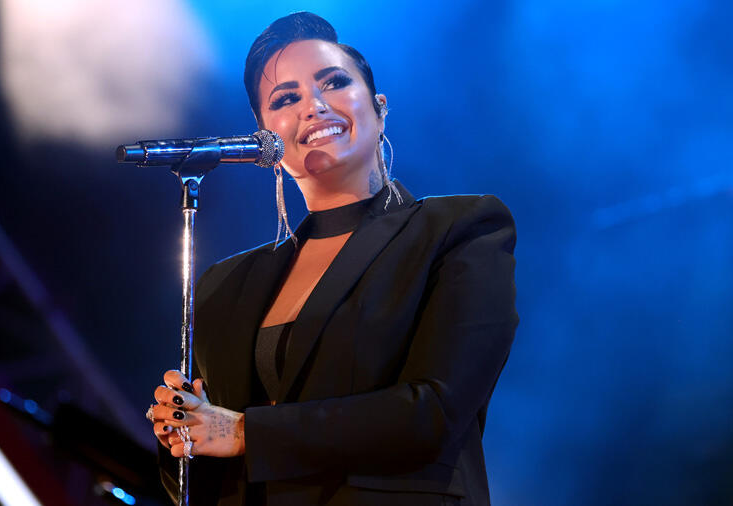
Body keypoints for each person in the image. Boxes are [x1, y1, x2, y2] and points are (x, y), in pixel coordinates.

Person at [147, 12, 518, 506]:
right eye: (286, 99)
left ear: (379, 109)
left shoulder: (458, 230)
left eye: (334, 83)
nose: (313, 106)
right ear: (265, 140)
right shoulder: (225, 285)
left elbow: (434, 413)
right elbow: (207, 481)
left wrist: (245, 432)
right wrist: (182, 433)